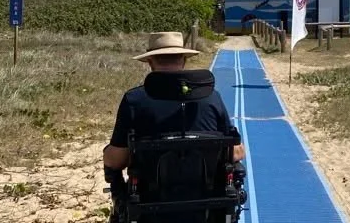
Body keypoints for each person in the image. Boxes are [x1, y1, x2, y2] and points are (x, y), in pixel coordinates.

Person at [103, 31, 245, 173]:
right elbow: (236, 152)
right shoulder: (212, 97)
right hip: (206, 185)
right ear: (184, 61)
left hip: (151, 185)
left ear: (150, 62)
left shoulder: (134, 99)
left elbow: (116, 161)